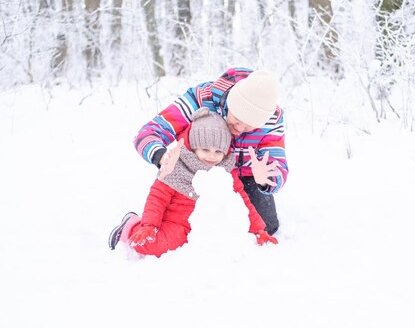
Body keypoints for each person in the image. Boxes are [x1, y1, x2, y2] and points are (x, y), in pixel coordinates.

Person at [133, 67, 288, 235]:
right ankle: (133, 225)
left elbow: (278, 163)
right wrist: (162, 157)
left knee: (265, 227)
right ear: (231, 103)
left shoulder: (272, 119)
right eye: (237, 118)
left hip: (241, 179)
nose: (241, 128)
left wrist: (267, 179)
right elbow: (148, 133)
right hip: (194, 174)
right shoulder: (200, 99)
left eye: (250, 125)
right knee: (186, 229)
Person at [108, 108, 277, 258]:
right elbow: (157, 198)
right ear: (194, 147)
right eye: (205, 150)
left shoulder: (225, 171)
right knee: (154, 244)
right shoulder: (176, 165)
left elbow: (243, 202)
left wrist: (259, 230)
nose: (211, 156)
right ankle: (130, 226)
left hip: (209, 225)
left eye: (218, 151)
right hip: (177, 223)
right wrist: (149, 225)